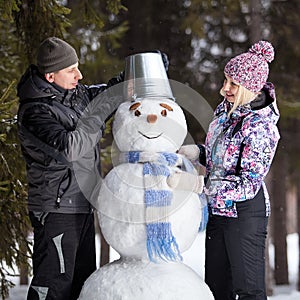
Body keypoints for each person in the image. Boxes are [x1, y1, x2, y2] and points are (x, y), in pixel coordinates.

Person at [17, 37, 125, 300]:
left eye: (77, 66)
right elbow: (70, 148)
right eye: (70, 70)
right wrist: (96, 119)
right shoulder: (35, 112)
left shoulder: (77, 96)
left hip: (82, 205)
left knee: (82, 283)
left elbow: (111, 94)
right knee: (54, 285)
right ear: (51, 75)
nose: (79, 74)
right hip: (56, 211)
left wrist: (142, 68)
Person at [179, 40, 280, 299]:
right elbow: (220, 158)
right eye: (226, 80)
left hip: (245, 213)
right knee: (216, 288)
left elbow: (248, 183)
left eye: (233, 84)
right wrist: (196, 152)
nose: (225, 89)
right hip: (218, 211)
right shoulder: (225, 113)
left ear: (250, 88)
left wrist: (202, 186)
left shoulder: (261, 127)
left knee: (248, 290)